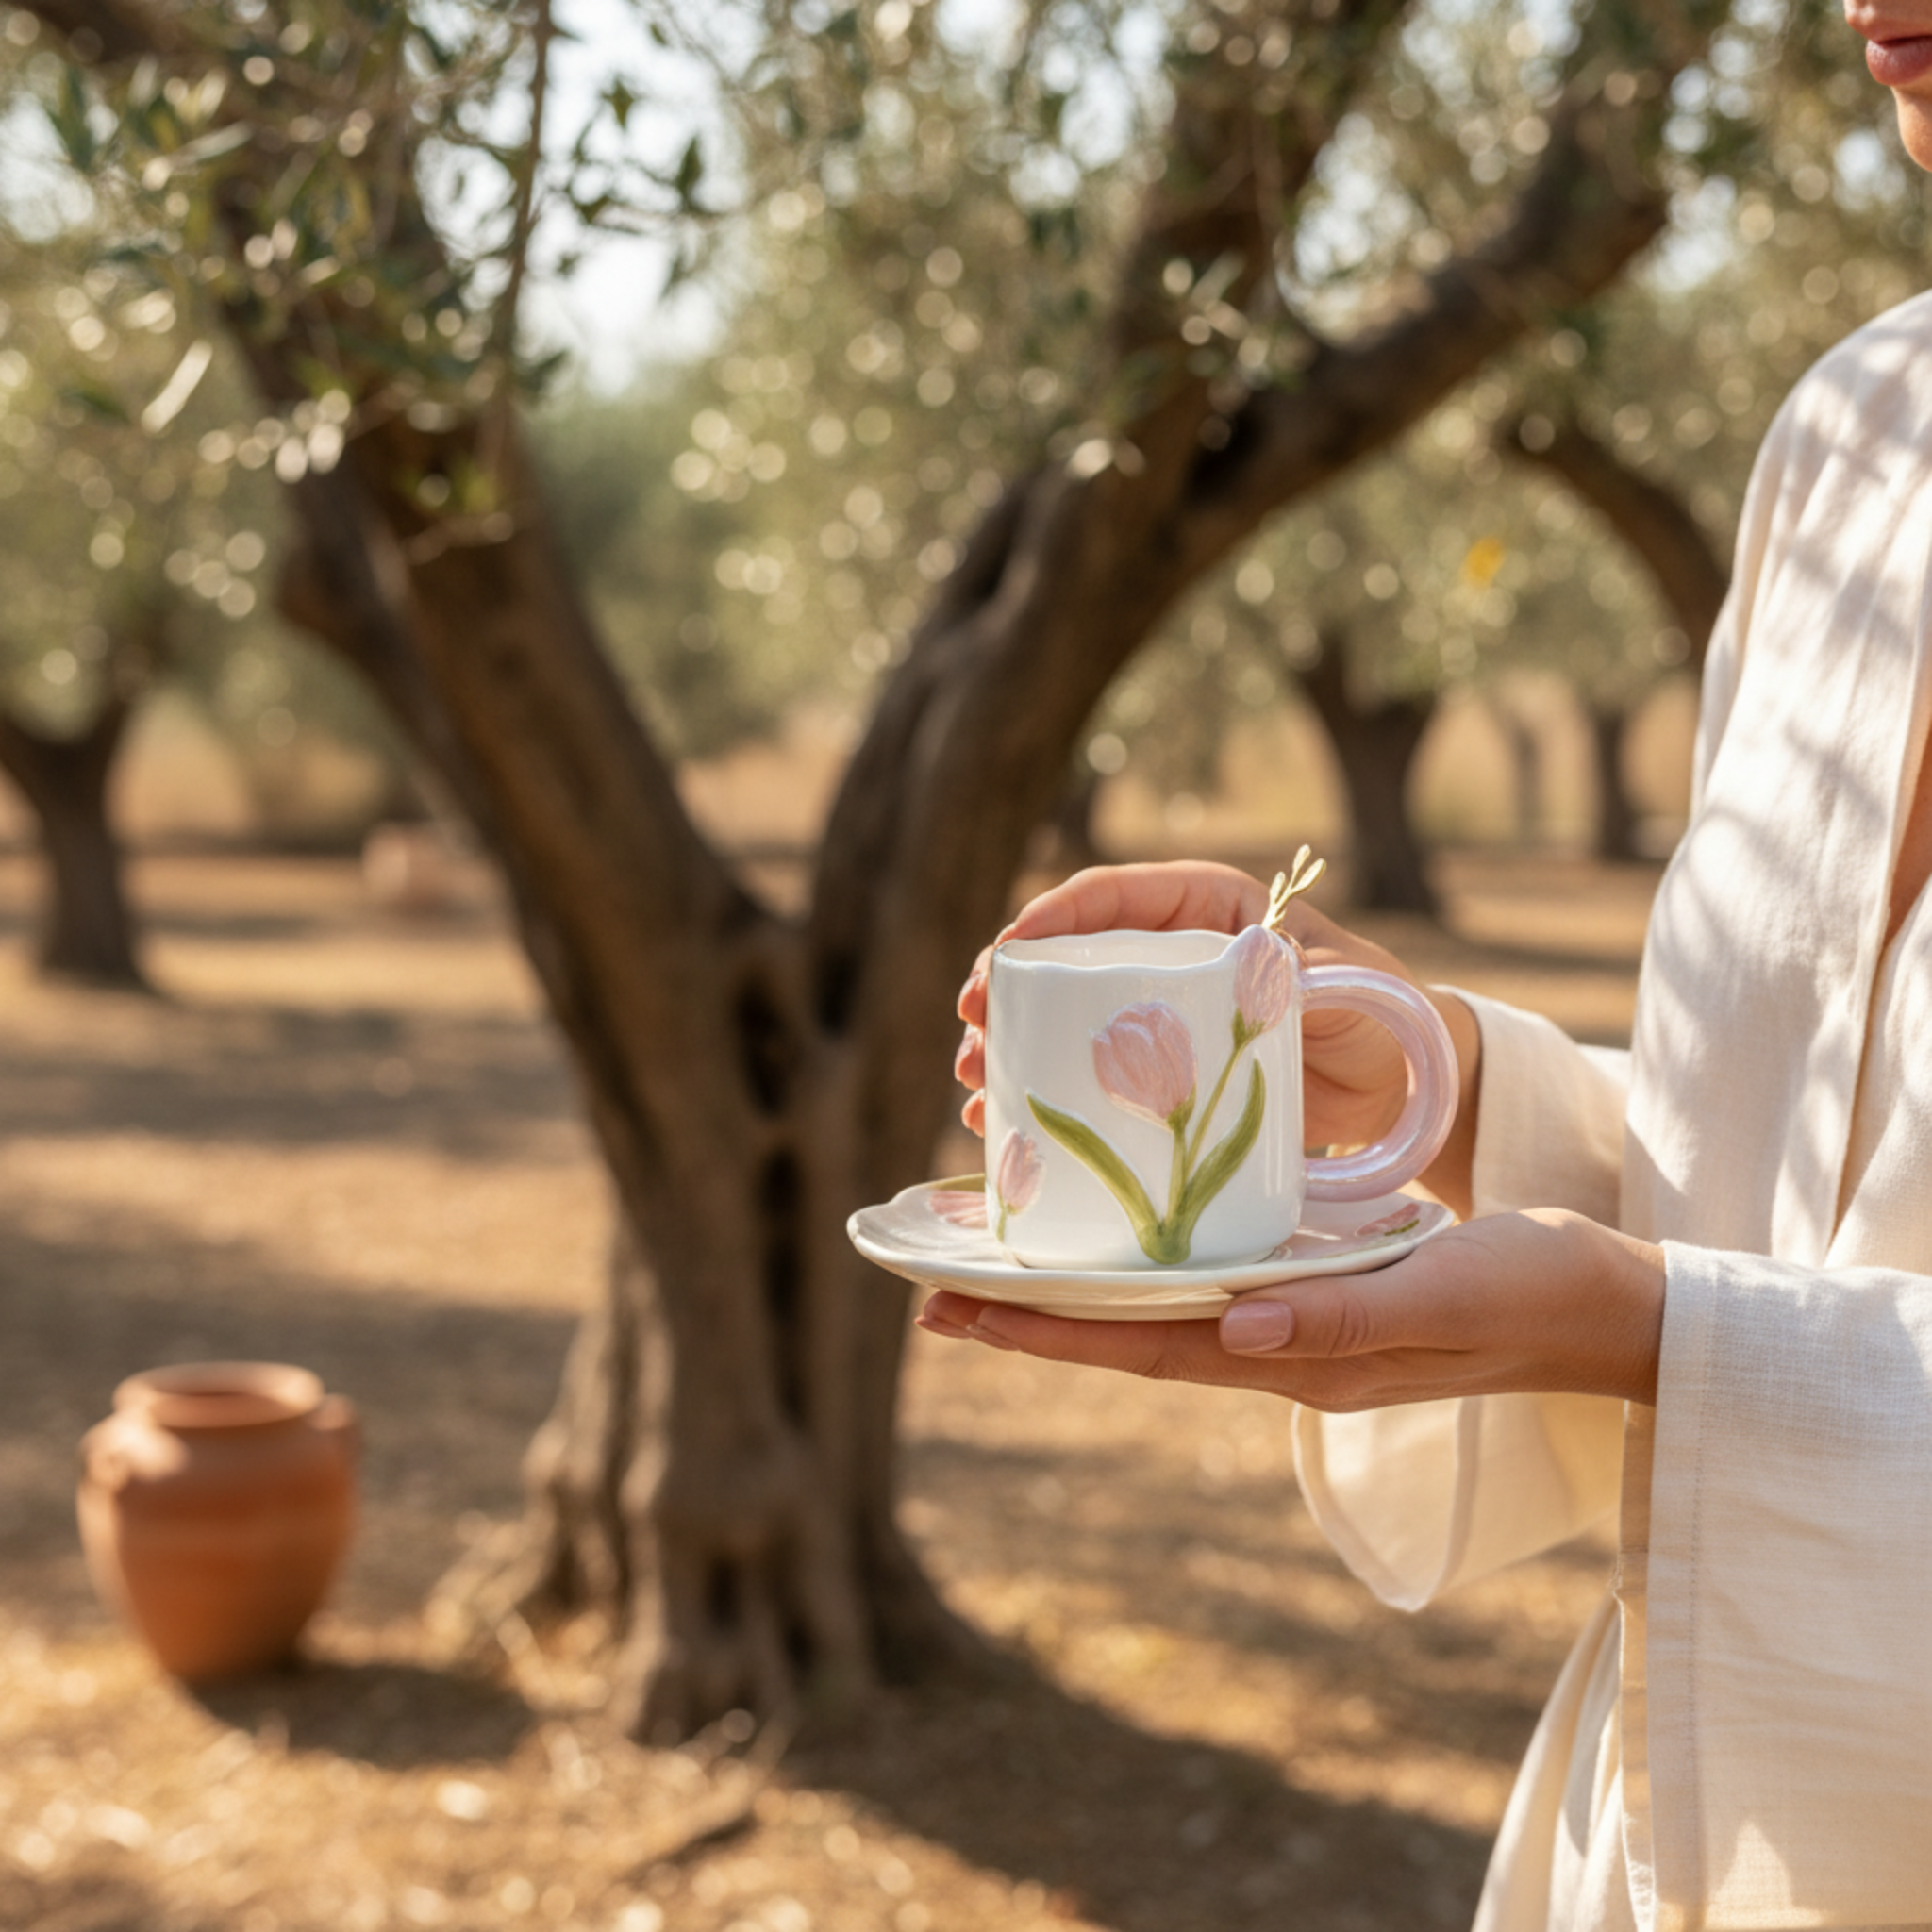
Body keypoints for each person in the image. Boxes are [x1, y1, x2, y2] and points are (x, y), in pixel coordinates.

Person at [929, 8, 1932, 1923]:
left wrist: (1658, 1336)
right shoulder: (1858, 438)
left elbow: (1725, 1297)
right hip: (1668, 1844)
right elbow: (1817, 1190)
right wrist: (1444, 1096)